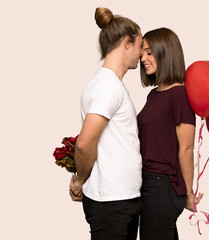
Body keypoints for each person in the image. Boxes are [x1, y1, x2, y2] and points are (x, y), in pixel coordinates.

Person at [69, 7, 143, 240]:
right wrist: (80, 180)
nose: (142, 54)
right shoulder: (107, 86)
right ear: (127, 43)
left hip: (121, 200)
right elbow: (84, 143)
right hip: (111, 203)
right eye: (140, 46)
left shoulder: (110, 84)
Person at [137, 27, 204, 240]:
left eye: (149, 52)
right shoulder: (153, 95)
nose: (143, 58)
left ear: (165, 52)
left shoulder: (180, 95)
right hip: (148, 183)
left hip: (162, 186)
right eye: (142, 53)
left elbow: (186, 149)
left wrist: (188, 193)